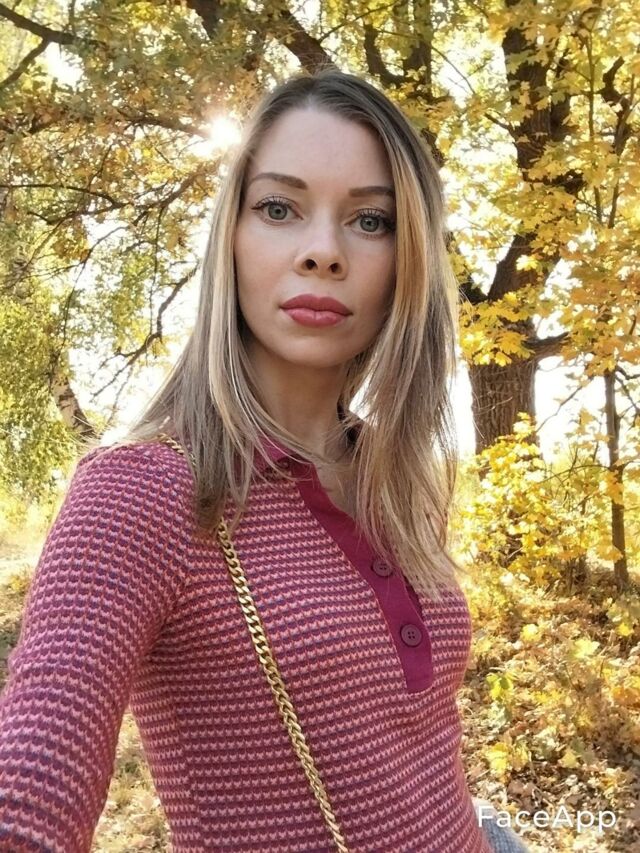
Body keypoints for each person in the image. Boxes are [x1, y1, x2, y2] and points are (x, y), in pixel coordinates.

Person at [0, 68, 528, 852]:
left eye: (371, 220)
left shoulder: (396, 476)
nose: (322, 252)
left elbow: (413, 744)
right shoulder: (139, 491)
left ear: (408, 258)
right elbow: (28, 792)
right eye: (279, 208)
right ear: (232, 239)